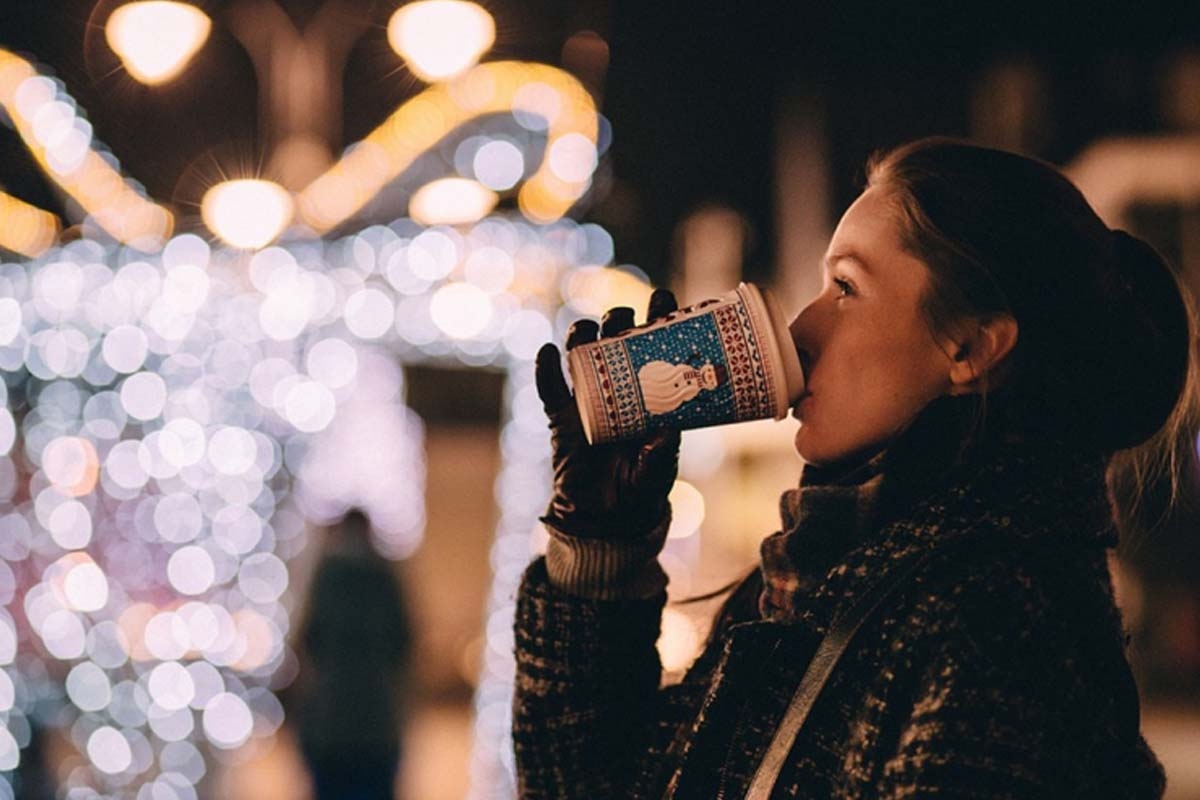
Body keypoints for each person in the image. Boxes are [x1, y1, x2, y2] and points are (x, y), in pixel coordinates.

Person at [512, 137, 1200, 798]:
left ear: (969, 347)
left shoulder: (996, 627)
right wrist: (602, 543)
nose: (803, 328)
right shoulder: (820, 576)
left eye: (846, 287)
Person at [288, 509, 414, 800]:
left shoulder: (326, 578)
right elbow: (404, 642)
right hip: (375, 722)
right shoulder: (385, 577)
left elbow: (309, 640)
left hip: (332, 722)